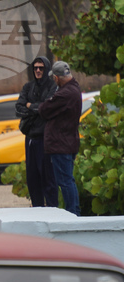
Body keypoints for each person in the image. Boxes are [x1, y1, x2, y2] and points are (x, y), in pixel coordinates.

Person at [38, 61, 82, 216]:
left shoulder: (64, 94)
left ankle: (72, 213)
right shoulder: (74, 88)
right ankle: (74, 211)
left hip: (61, 144)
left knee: (65, 181)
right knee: (68, 180)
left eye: (54, 78)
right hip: (68, 142)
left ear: (57, 77)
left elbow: (44, 110)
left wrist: (48, 101)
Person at [16, 56, 58, 208]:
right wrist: (35, 108)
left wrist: (30, 106)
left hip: (45, 138)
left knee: (47, 177)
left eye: (41, 68)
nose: (38, 71)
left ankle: (53, 210)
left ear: (46, 69)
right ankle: (37, 208)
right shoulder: (28, 87)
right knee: (32, 178)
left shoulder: (53, 86)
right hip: (30, 137)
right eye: (35, 68)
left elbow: (46, 108)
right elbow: (19, 108)